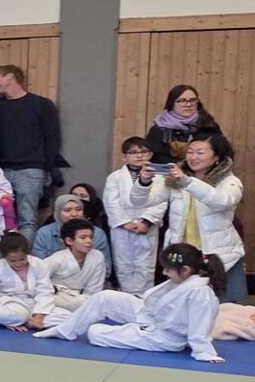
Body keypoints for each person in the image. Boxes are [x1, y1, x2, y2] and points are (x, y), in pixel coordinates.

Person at [37, 243, 222, 361]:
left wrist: (203, 351)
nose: (164, 273)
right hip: (150, 314)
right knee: (105, 296)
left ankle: (68, 326)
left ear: (186, 270)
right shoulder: (184, 279)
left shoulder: (200, 292)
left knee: (95, 333)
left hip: (162, 336)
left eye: (168, 270)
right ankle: (64, 331)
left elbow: (200, 324)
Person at [142, 132, 246, 302]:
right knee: (182, 307)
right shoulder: (175, 177)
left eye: (200, 152)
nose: (193, 157)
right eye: (190, 152)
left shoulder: (230, 181)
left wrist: (187, 182)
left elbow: (222, 202)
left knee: (227, 308)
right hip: (184, 255)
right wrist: (144, 182)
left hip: (220, 256)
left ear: (216, 157)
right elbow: (142, 201)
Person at [0, 65, 61, 238]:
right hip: (0, 171)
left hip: (31, 170)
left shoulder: (42, 105)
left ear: (10, 77)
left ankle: (24, 260)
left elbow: (52, 138)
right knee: (1, 218)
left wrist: (47, 168)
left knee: (27, 219)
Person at [105, 137, 164, 295]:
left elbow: (161, 202)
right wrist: (124, 223)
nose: (139, 156)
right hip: (123, 228)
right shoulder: (115, 177)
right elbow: (111, 202)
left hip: (147, 226)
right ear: (125, 156)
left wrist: (146, 221)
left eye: (143, 152)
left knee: (145, 266)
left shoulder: (160, 177)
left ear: (150, 154)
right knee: (124, 265)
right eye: (133, 152)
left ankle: (145, 299)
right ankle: (126, 298)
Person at [0, 232, 52, 330]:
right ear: (4, 257)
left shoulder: (39, 264)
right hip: (10, 303)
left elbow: (45, 292)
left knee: (65, 317)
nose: (18, 263)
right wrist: (3, 320)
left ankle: (28, 322)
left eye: (22, 259)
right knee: (19, 315)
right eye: (13, 261)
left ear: (27, 253)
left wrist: (39, 316)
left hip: (34, 304)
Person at [37, 218, 107, 321]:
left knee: (97, 304)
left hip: (82, 299)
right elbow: (37, 277)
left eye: (91, 237)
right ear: (69, 240)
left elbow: (94, 289)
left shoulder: (97, 256)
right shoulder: (57, 259)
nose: (89, 241)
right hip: (56, 297)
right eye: (83, 237)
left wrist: (89, 301)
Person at [146, 84, 219, 165]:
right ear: (172, 103)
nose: (188, 104)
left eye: (192, 100)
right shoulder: (159, 129)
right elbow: (153, 157)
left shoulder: (208, 125)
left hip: (203, 174)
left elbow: (221, 151)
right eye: (182, 100)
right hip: (168, 174)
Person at [31, 193, 111, 263]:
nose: (74, 214)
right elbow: (40, 266)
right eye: (67, 210)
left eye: (78, 209)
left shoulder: (97, 233)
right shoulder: (45, 233)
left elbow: (105, 267)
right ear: (57, 213)